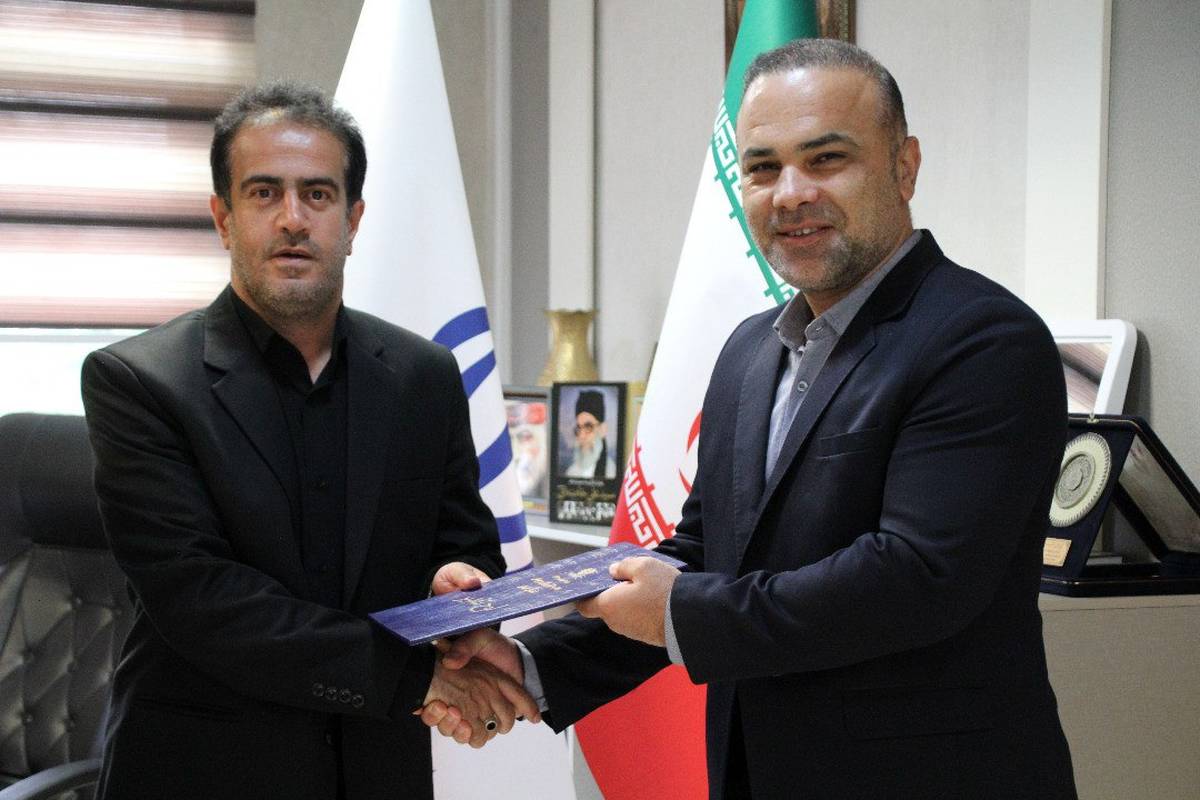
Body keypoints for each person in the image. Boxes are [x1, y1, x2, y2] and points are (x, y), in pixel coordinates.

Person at [423, 39, 1078, 799]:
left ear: (905, 167)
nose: (789, 193)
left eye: (826, 159)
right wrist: (532, 661)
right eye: (763, 168)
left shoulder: (984, 340)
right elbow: (706, 552)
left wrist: (679, 612)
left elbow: (916, 576)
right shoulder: (749, 350)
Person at [81, 82, 537, 800]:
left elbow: (467, 540)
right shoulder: (139, 382)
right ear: (223, 218)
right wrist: (415, 678)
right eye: (264, 193)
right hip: (203, 771)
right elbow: (204, 600)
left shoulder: (423, 375)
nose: (292, 218)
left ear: (353, 221)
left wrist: (455, 581)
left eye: (317, 195)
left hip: (377, 769)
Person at [562, 388, 617, 479]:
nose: (581, 436)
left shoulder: (612, 472)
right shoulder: (571, 471)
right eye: (578, 428)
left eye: (588, 427)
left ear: (603, 430)